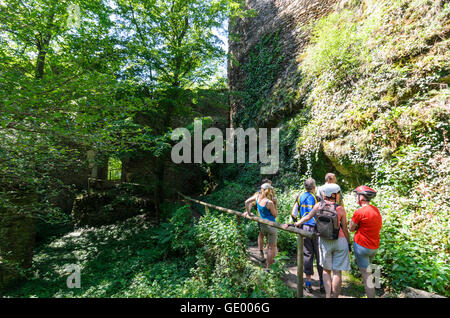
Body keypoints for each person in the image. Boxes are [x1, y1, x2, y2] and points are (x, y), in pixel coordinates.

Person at [292, 183, 351, 298]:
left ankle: (328, 295)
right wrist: (348, 243)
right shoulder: (340, 209)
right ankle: (335, 296)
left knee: (326, 270)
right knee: (337, 272)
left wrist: (297, 223)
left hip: (324, 241)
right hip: (340, 241)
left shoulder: (318, 205)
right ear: (334, 195)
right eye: (338, 193)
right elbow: (344, 228)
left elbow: (308, 217)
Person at [290, 178, 324, 293]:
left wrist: (296, 223)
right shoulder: (318, 198)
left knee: (307, 255)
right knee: (320, 256)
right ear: (314, 187)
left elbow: (293, 213)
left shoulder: (299, 197)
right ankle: (322, 283)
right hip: (317, 229)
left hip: (304, 229)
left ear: (305, 186)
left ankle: (308, 284)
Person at [349, 186, 382, 298]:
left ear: (361, 197)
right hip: (374, 247)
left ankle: (371, 295)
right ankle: (375, 290)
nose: (355, 198)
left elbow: (351, 228)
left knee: (366, 275)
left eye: (356, 195)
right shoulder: (376, 210)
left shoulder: (359, 211)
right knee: (370, 271)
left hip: (362, 246)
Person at [244, 183, 278, 269]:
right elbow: (275, 215)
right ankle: (268, 267)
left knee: (269, 244)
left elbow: (247, 202)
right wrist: (275, 204)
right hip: (270, 225)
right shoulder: (269, 202)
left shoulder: (257, 197)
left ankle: (269, 260)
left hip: (262, 225)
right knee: (271, 247)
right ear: (269, 190)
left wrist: (248, 213)